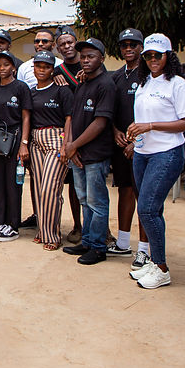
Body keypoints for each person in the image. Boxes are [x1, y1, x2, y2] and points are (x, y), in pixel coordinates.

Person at [124, 34, 185, 289]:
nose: (153, 60)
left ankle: (162, 268)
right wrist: (135, 136)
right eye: (149, 56)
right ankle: (155, 261)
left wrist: (151, 125)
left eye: (158, 55)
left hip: (167, 153)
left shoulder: (177, 84)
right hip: (142, 153)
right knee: (154, 210)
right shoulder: (144, 83)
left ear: (168, 56)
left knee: (147, 209)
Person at [61, 37, 117, 265]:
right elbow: (74, 117)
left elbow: (100, 123)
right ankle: (87, 240)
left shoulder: (106, 84)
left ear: (101, 59)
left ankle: (98, 247)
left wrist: (74, 146)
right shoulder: (83, 83)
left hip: (95, 154)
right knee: (84, 199)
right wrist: (70, 146)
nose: (85, 60)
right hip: (78, 154)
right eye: (83, 56)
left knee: (97, 201)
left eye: (90, 56)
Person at [109, 28, 150, 265]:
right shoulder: (116, 77)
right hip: (120, 145)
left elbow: (154, 115)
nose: (128, 49)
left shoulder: (149, 75)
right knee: (124, 190)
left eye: (133, 44)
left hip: (143, 147)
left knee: (143, 195)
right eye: (124, 45)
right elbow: (110, 110)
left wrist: (137, 142)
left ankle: (144, 249)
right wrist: (115, 131)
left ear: (141, 47)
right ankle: (123, 243)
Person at [0, 51, 31, 242]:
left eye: (6, 65)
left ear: (13, 67)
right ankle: (2, 222)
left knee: (12, 184)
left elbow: (26, 117)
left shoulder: (21, 88)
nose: (2, 68)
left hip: (15, 138)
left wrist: (24, 144)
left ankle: (13, 225)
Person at [28, 50, 74, 250]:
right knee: (39, 188)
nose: (42, 70)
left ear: (52, 69)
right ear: (34, 67)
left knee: (50, 187)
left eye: (46, 67)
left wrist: (67, 145)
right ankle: (43, 231)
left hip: (56, 139)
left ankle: (53, 235)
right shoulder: (31, 91)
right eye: (39, 66)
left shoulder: (62, 90)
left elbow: (69, 118)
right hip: (35, 140)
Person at [46, 25, 83, 243]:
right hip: (67, 133)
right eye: (62, 45)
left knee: (91, 185)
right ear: (57, 49)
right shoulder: (57, 73)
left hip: (90, 130)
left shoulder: (90, 64)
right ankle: (77, 226)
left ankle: (98, 230)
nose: (67, 47)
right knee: (72, 184)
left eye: (70, 43)